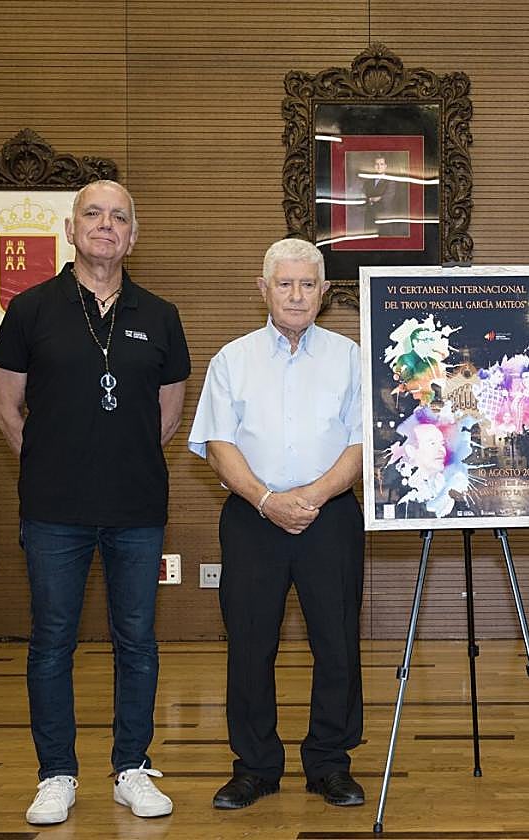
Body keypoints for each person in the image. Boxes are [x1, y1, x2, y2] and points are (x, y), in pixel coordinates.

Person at [0, 179, 190, 825]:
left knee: (137, 642)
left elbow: (166, 417)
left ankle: (132, 767)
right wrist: (53, 462)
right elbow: (6, 408)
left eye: (119, 217)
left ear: (133, 235)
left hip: (136, 509)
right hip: (53, 510)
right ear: (71, 228)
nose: (106, 225)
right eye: (94, 214)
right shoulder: (30, 309)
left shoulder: (160, 314)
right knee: (52, 642)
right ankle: (56, 774)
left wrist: (114, 459)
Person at [188, 238, 365, 810]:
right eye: (284, 284)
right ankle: (255, 767)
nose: (295, 295)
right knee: (249, 644)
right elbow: (219, 445)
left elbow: (363, 443)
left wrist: (309, 497)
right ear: (263, 290)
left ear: (324, 292)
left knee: (336, 643)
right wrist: (267, 501)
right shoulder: (231, 360)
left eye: (307, 284)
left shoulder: (351, 357)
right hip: (251, 518)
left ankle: (330, 764)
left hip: (330, 516)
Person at [362, 155, 403, 236]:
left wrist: (374, 199)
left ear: (385, 166)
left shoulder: (390, 181)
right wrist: (371, 199)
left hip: (384, 217)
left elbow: (388, 198)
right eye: (377, 164)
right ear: (374, 166)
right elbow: (363, 195)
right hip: (370, 217)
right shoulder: (368, 181)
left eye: (381, 164)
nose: (379, 166)